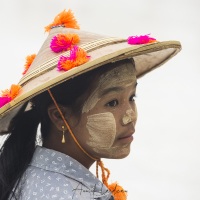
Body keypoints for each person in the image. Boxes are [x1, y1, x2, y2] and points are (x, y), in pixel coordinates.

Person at [0, 9, 181, 200]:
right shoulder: (66, 194)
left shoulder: (29, 174)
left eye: (132, 98)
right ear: (60, 116)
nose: (130, 116)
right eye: (112, 103)